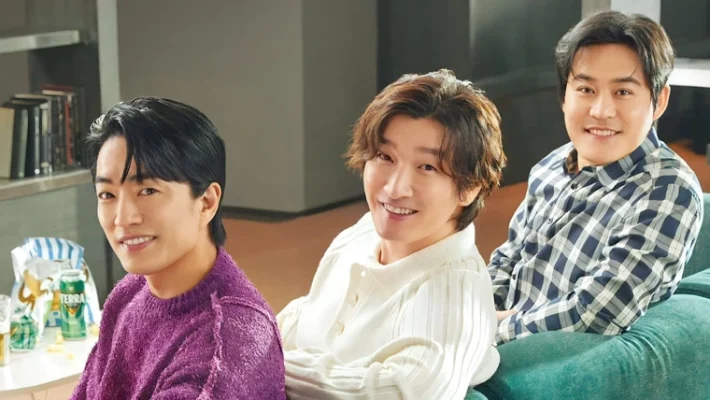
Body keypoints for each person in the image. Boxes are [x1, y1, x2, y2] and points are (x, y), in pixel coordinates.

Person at [277, 69, 507, 399]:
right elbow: (307, 316)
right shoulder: (361, 234)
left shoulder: (456, 295)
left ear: (470, 187)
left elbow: (408, 392)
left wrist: (268, 364)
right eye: (385, 157)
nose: (395, 189)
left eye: (427, 167)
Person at [489, 11, 704, 344]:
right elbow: (509, 259)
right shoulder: (551, 166)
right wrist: (474, 313)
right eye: (586, 89)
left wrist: (490, 331)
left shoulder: (669, 190)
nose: (601, 111)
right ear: (564, 96)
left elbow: (597, 312)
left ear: (659, 101)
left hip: (543, 359)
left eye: (623, 92)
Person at [70, 97, 286, 399]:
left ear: (206, 202)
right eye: (107, 195)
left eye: (147, 190)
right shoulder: (128, 294)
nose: (122, 218)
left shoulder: (226, 345)